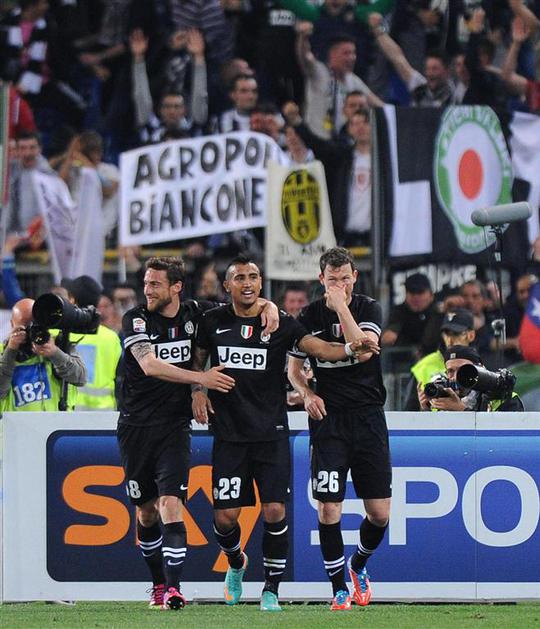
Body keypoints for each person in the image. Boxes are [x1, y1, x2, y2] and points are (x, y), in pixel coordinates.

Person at [191, 253, 375, 612]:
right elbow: (197, 358)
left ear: (261, 283)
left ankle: (271, 589)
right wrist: (198, 389)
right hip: (229, 434)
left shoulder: (280, 324)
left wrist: (350, 347)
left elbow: (318, 349)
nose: (247, 283)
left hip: (271, 433)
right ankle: (236, 561)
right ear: (227, 285)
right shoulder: (211, 321)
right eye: (239, 277)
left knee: (274, 510)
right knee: (225, 519)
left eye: (253, 277)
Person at [117, 256, 278, 611]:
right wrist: (200, 381)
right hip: (135, 426)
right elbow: (149, 365)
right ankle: (157, 583)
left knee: (170, 504)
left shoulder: (196, 313)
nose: (147, 290)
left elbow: (241, 302)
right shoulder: (136, 319)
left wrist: (268, 305)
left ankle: (173, 590)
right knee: (146, 512)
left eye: (155, 284)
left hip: (175, 426)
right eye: (146, 283)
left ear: (176, 287)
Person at [287, 247, 390, 611]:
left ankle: (358, 564)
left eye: (345, 278)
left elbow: (364, 351)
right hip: (329, 419)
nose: (339, 285)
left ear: (354, 277)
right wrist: (307, 392)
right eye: (332, 280)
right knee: (329, 508)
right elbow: (294, 370)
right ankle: (338, 590)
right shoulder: (307, 316)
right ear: (321, 279)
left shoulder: (369, 309)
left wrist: (342, 306)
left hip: (368, 416)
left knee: (379, 513)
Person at [295, 24, 383, 139]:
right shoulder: (318, 72)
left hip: (342, 142)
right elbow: (304, 55)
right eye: (346, 53)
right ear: (332, 54)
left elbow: (378, 105)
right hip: (316, 140)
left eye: (354, 53)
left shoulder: (353, 80)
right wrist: (303, 37)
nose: (352, 58)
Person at [0, 298, 86, 412]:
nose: (31, 330)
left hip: (57, 422)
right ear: (12, 324)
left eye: (35, 324)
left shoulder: (58, 343)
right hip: (17, 423)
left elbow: (80, 378)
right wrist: (11, 350)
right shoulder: (3, 352)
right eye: (25, 326)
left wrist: (55, 353)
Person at [61, 275, 122, 411]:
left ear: (72, 300)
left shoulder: (60, 333)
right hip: (105, 412)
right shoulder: (111, 337)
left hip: (70, 410)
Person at [406, 307, 476, 411]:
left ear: (471, 335)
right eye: (446, 333)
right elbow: (409, 413)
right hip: (434, 421)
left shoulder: (480, 367)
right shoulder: (423, 367)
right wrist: (424, 409)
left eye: (456, 334)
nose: (449, 340)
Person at [418, 345, 524, 412]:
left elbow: (503, 438)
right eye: (450, 371)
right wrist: (425, 410)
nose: (455, 377)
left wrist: (462, 411)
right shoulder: (443, 401)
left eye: (463, 369)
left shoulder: (504, 399)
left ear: (480, 369)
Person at [381, 273, 439, 356]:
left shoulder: (438, 311)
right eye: (412, 292)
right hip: (404, 359)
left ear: (430, 294)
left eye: (420, 292)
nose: (415, 297)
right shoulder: (399, 311)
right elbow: (389, 335)